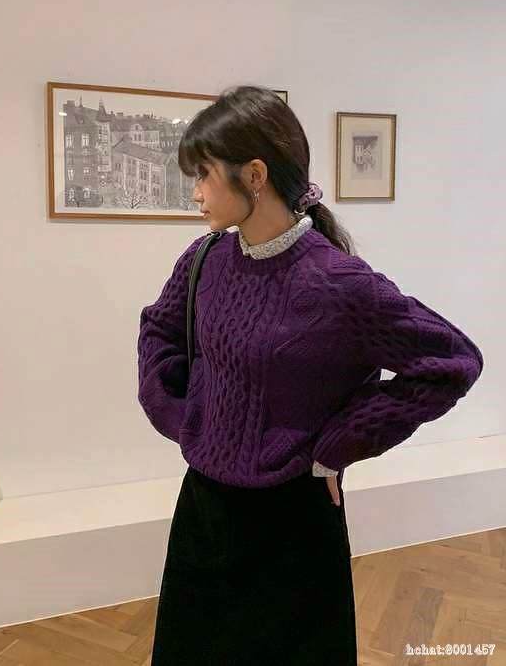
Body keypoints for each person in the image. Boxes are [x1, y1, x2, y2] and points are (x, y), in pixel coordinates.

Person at [137, 85, 484, 666]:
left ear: (254, 175)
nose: (195, 193)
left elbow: (452, 362)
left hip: (292, 523)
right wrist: (177, 412)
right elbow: (159, 330)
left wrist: (339, 444)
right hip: (203, 506)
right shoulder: (203, 260)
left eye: (203, 175)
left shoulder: (339, 284)